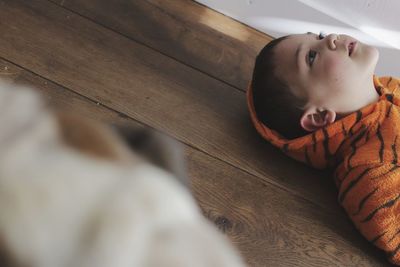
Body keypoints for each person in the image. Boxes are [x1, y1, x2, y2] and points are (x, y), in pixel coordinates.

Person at [247, 32, 400, 265]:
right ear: (319, 116)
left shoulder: (390, 86)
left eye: (317, 36)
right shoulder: (372, 172)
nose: (330, 38)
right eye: (311, 56)